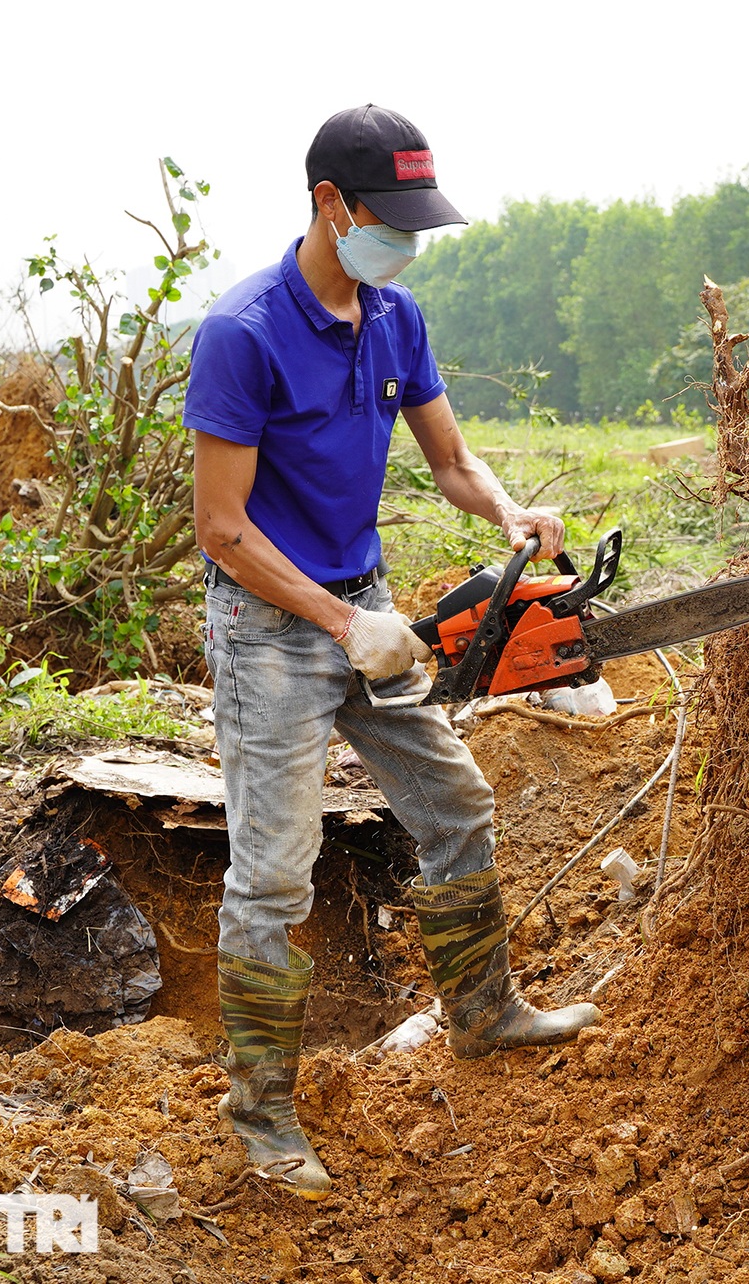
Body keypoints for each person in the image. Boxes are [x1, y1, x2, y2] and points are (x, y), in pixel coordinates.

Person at [183, 104, 601, 1201]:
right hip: (271, 626)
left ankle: (482, 1012)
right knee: (274, 872)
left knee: (455, 802)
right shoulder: (242, 332)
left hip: (365, 607)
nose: (404, 243)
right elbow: (221, 527)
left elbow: (449, 458)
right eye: (391, 220)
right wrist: (339, 625)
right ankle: (263, 1113)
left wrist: (507, 512)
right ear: (331, 203)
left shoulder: (394, 316)